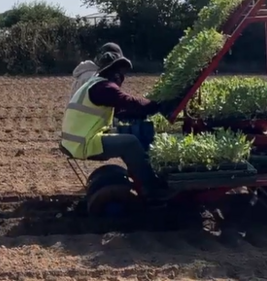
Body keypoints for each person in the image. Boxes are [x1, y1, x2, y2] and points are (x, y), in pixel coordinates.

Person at [60, 43, 185, 198]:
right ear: (115, 73)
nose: (122, 77)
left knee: (125, 138)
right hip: (83, 143)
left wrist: (141, 112)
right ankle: (153, 187)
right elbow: (129, 102)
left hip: (77, 139)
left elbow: (121, 110)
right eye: (121, 72)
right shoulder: (103, 87)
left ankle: (141, 174)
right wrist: (158, 105)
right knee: (130, 143)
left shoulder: (95, 84)